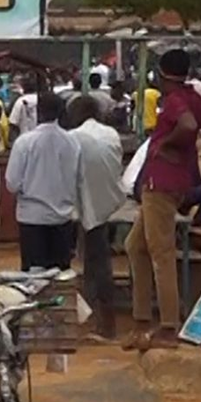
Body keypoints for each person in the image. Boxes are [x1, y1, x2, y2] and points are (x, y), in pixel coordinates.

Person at [127, 48, 201, 351]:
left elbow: (189, 126)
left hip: (159, 183)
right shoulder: (196, 98)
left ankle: (167, 327)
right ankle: (140, 322)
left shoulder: (176, 100)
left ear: (162, 74)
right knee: (135, 246)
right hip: (178, 183)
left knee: (161, 254)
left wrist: (166, 142)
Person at [66, 94, 124, 340]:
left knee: (95, 264)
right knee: (95, 260)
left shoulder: (72, 139)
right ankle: (95, 317)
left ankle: (103, 323)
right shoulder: (111, 134)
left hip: (82, 205)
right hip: (111, 202)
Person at [4, 91, 81, 271]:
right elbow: (77, 178)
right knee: (61, 277)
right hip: (62, 219)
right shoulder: (72, 142)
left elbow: (11, 183)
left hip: (32, 219)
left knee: (34, 279)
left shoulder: (24, 142)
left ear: (38, 111)